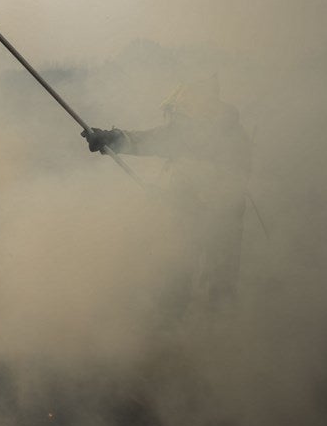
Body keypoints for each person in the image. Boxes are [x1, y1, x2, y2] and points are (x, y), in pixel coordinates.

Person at [82, 75, 251, 309]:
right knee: (177, 279)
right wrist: (109, 138)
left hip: (219, 224)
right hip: (193, 219)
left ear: (205, 101)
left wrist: (171, 199)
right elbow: (150, 141)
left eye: (189, 100)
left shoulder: (222, 135)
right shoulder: (199, 129)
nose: (182, 109)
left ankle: (214, 337)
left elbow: (219, 189)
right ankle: (176, 334)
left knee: (216, 287)